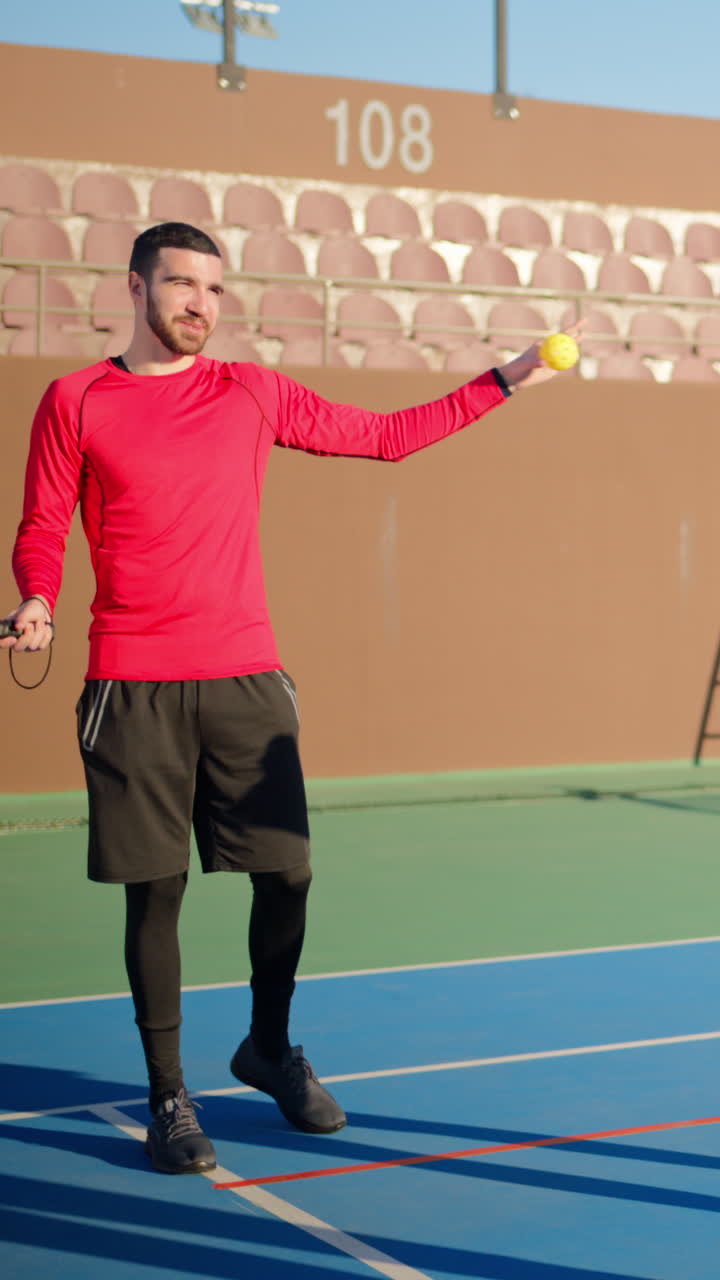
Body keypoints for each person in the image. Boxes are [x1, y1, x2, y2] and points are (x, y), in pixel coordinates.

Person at [1, 221, 579, 1176]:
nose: (200, 305)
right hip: (132, 681)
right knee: (158, 894)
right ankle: (170, 1097)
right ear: (136, 287)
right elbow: (42, 524)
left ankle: (267, 1046)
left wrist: (506, 377)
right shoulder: (75, 400)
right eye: (181, 285)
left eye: (214, 291)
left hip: (244, 678)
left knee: (290, 873)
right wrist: (33, 597)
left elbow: (387, 439)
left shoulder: (248, 391)